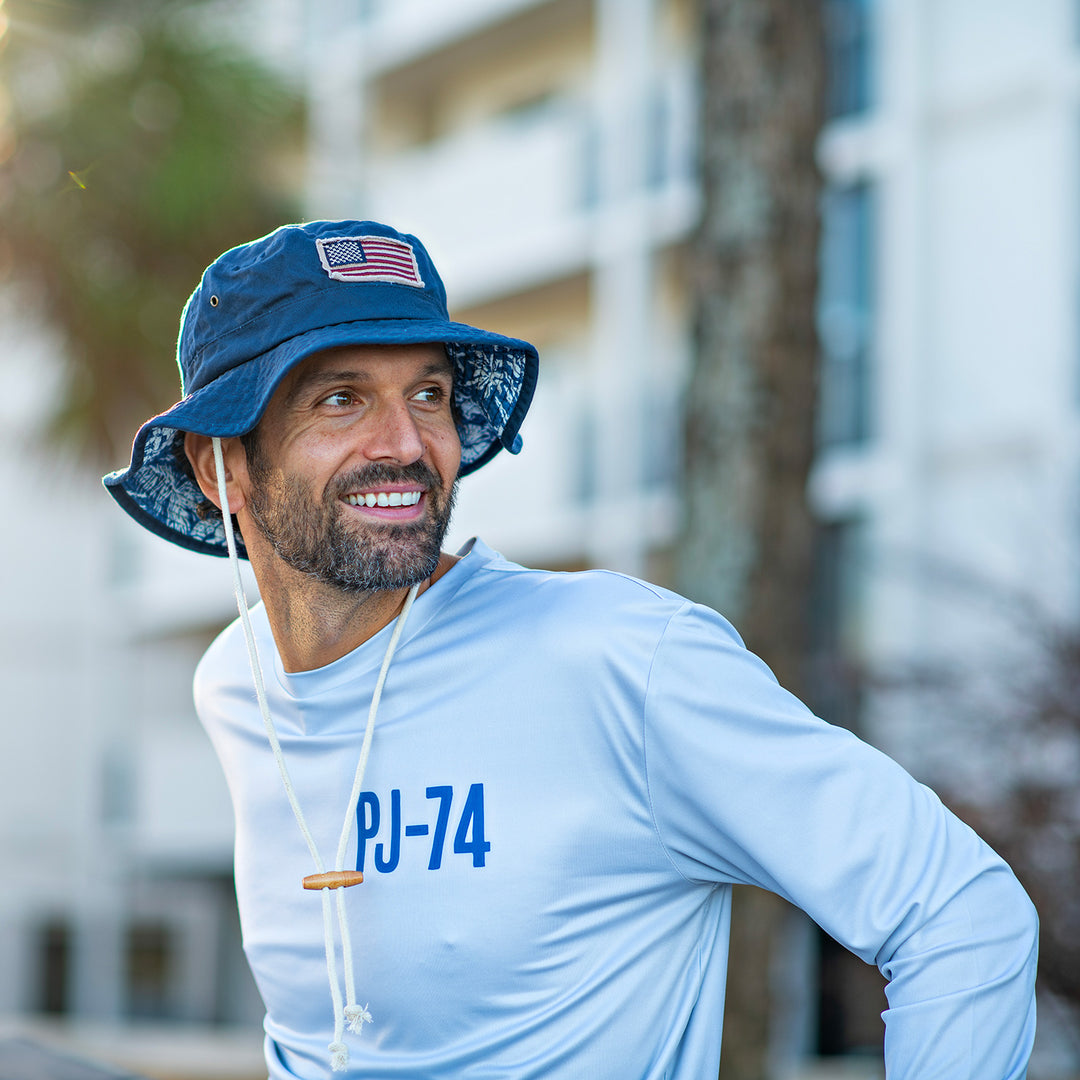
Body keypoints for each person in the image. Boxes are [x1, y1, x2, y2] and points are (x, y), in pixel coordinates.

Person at [105, 220, 1038, 1079]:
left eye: (427, 393)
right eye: (340, 399)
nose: (407, 443)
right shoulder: (236, 683)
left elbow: (960, 910)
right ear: (221, 465)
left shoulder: (619, 658)